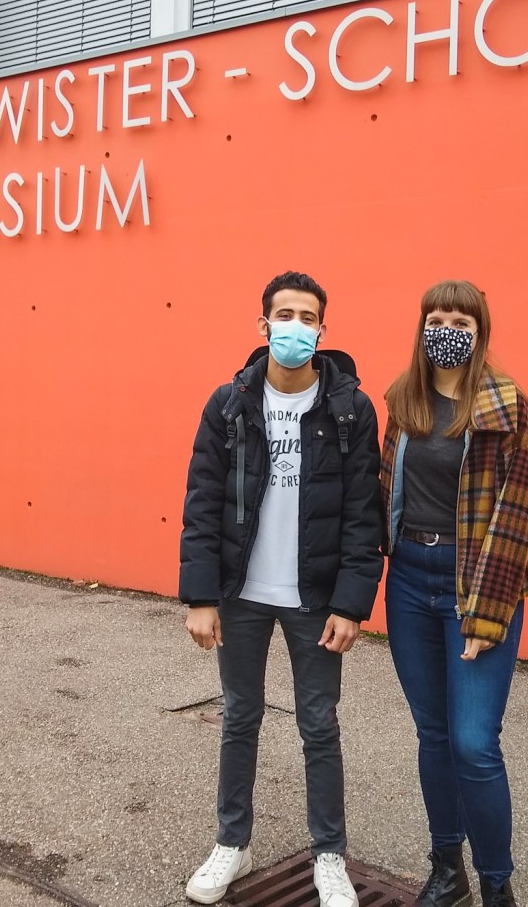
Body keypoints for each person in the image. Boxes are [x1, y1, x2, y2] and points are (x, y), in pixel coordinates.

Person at [179, 271, 384, 907]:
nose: (295, 327)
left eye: (308, 317)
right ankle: (232, 844)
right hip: (240, 593)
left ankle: (329, 856)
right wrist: (201, 596)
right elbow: (202, 501)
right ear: (263, 324)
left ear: (323, 329)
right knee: (239, 717)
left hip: (314, 599)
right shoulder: (229, 403)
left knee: (319, 725)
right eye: (284, 315)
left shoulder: (350, 408)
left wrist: (351, 603)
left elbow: (363, 515)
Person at [381, 280, 528, 907]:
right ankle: (447, 869)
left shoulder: (507, 405)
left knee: (474, 743)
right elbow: (384, 490)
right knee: (433, 734)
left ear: (479, 332)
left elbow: (521, 510)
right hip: (409, 579)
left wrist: (488, 613)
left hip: (475, 581)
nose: (446, 330)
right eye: (436, 319)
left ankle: (497, 886)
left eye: (460, 321)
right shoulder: (404, 400)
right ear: (421, 327)